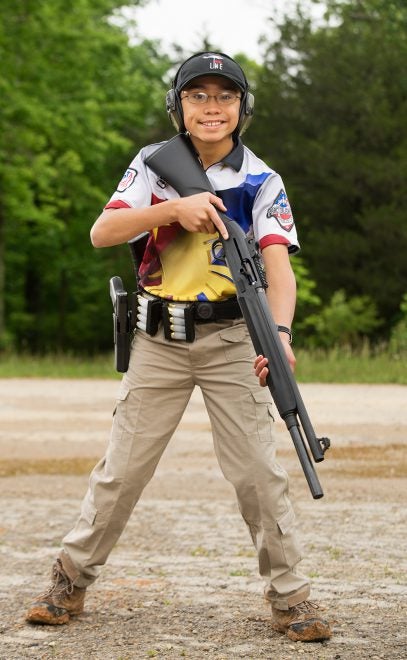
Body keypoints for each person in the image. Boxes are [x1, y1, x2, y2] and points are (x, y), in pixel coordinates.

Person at [26, 52, 331, 642]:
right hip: (159, 339)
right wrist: (173, 208)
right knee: (123, 471)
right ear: (178, 107)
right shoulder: (153, 165)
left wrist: (282, 335)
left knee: (258, 476)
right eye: (198, 96)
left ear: (243, 108)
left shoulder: (262, 179)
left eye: (225, 96)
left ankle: (291, 597)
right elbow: (102, 232)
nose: (212, 107)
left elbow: (278, 268)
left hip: (234, 337)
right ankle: (69, 579)